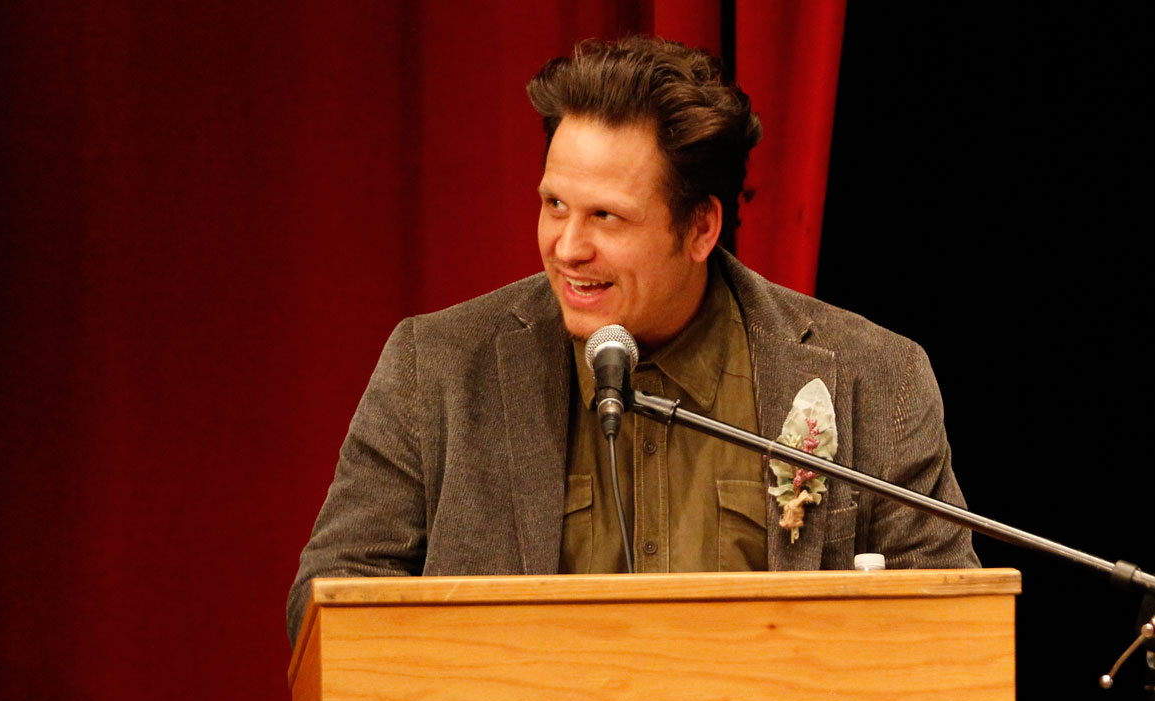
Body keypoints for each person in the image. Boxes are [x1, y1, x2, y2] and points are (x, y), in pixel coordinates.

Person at [287, 37, 978, 646]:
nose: (566, 246)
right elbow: (332, 599)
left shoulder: (872, 376)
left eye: (606, 217)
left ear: (700, 229)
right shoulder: (435, 368)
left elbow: (945, 629)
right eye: (553, 204)